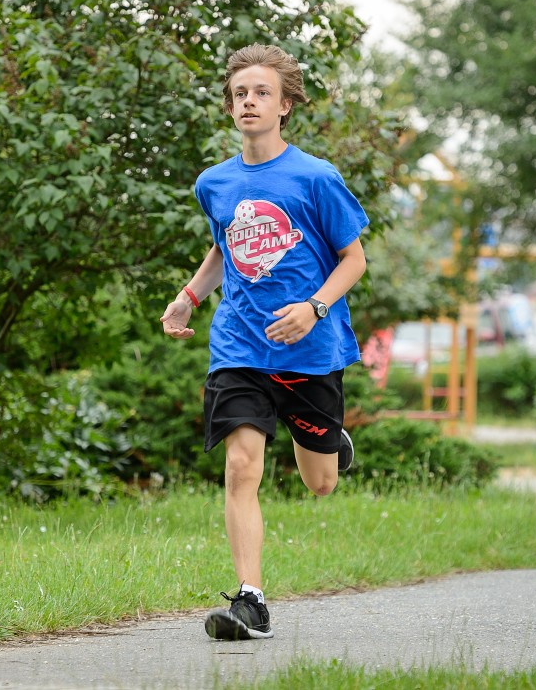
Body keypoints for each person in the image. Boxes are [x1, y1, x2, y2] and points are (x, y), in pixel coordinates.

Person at [160, 43, 368, 641]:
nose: (249, 102)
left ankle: (331, 442)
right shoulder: (214, 183)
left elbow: (354, 259)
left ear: (284, 106)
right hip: (240, 345)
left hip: (309, 349)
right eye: (240, 94)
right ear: (230, 107)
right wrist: (189, 296)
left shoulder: (315, 177)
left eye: (261, 93)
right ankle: (250, 600)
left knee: (319, 483)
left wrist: (314, 307)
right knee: (241, 465)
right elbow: (225, 248)